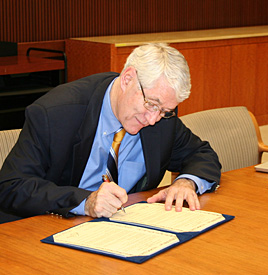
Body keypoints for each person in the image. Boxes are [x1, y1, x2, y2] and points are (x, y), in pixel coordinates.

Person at [0, 43, 221, 223]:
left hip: (122, 231)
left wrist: (186, 182)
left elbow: (202, 154)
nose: (153, 120)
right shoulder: (55, 114)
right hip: (50, 227)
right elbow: (11, 185)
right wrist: (85, 201)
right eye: (152, 104)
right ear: (127, 79)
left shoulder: (162, 118)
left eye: (165, 111)